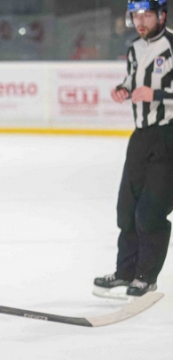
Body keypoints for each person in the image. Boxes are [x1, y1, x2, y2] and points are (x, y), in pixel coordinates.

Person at [94, 0, 173, 298]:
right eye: (136, 16)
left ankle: (145, 277)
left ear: (161, 16)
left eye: (147, 15)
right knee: (126, 211)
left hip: (169, 137)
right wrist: (123, 89)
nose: (141, 21)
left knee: (150, 213)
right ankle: (125, 272)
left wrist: (158, 93)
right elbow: (132, 79)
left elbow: (156, 90)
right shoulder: (134, 48)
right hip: (140, 137)